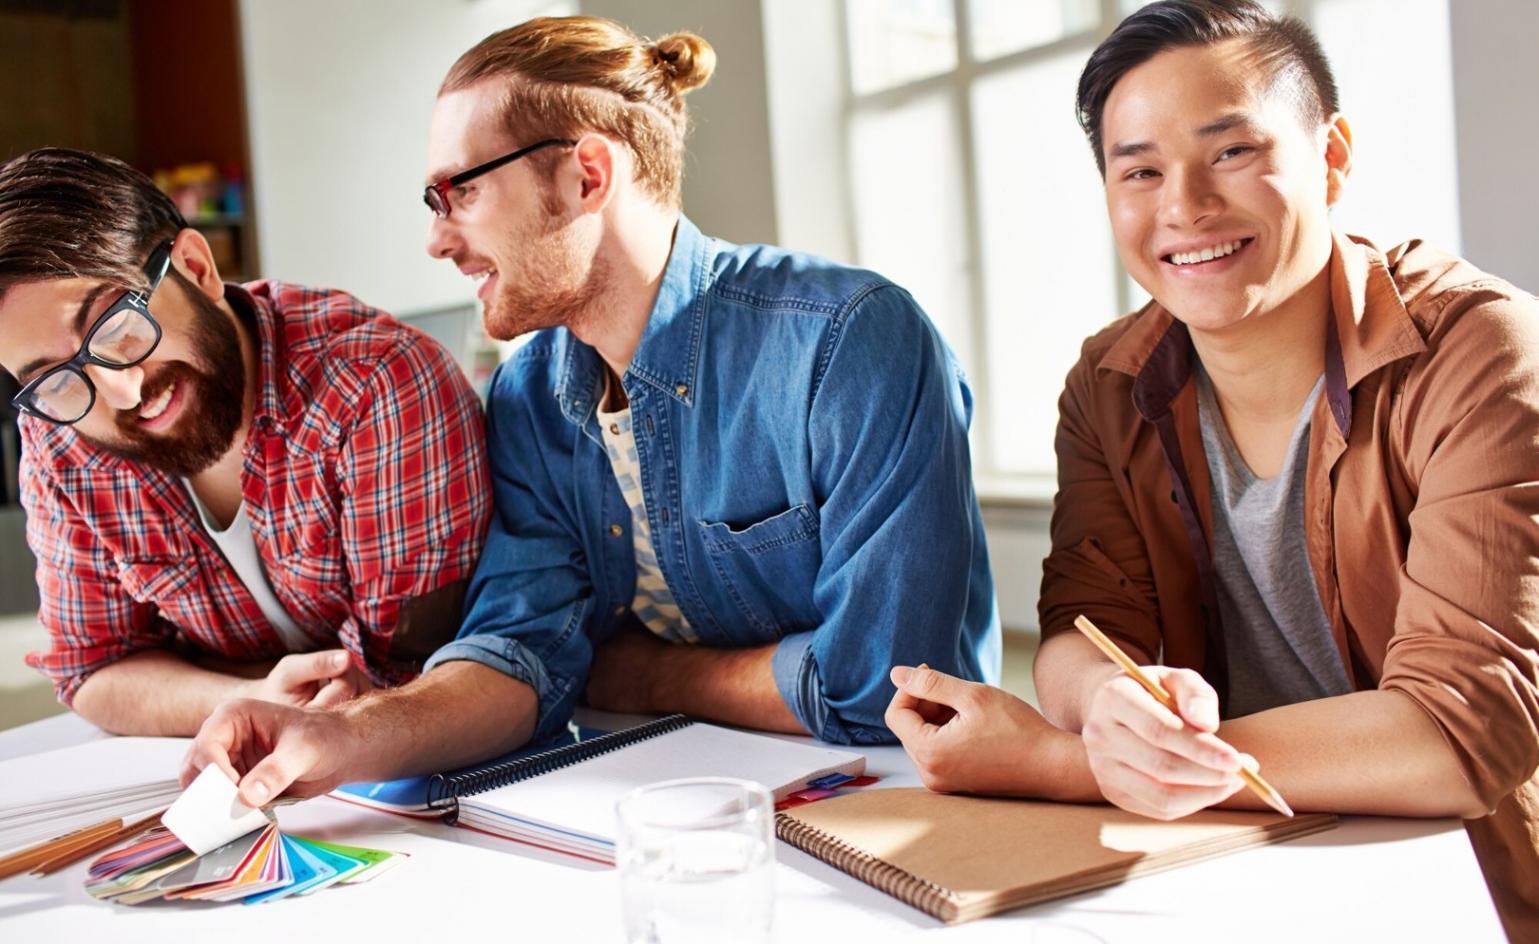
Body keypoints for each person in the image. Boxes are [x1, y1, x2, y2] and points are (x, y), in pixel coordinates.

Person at [182, 16, 997, 802]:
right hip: (658, 796)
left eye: (457, 192)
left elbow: (886, 692)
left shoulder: (847, 342)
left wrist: (636, 672)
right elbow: (520, 651)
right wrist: (345, 736)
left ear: (586, 176)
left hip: (882, 808)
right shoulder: (529, 394)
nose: (437, 240)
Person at [882, 1, 1539, 936]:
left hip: (1449, 882)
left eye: (1230, 153)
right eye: (1140, 170)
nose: (1183, 207)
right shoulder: (1108, 380)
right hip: (1220, 868)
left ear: (1332, 156)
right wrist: (1111, 704)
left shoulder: (1480, 351)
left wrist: (1065, 762)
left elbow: (1457, 736)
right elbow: (1081, 629)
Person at [0, 148, 491, 736]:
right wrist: (254, 695)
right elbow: (93, 671)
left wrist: (185, 675)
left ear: (196, 267)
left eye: (118, 327)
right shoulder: (60, 435)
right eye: (55, 377)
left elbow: (403, 674)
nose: (122, 391)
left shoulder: (374, 382)